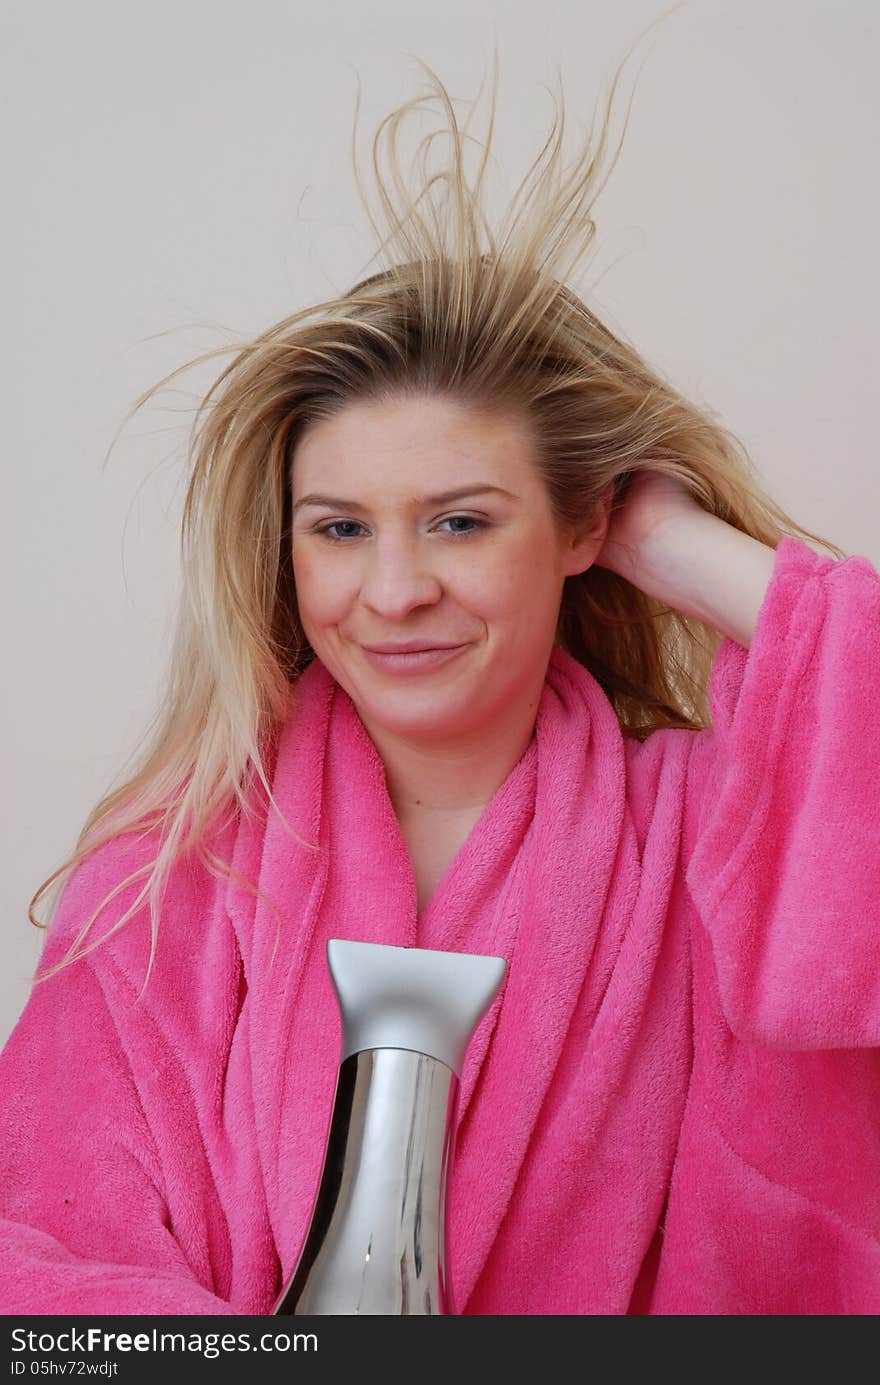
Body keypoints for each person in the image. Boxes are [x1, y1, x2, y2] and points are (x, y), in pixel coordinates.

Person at [2, 41, 878, 1317]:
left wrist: (678, 550)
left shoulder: (718, 840)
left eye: (461, 521)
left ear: (579, 529)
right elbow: (35, 1274)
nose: (395, 589)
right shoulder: (168, 871)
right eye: (339, 528)